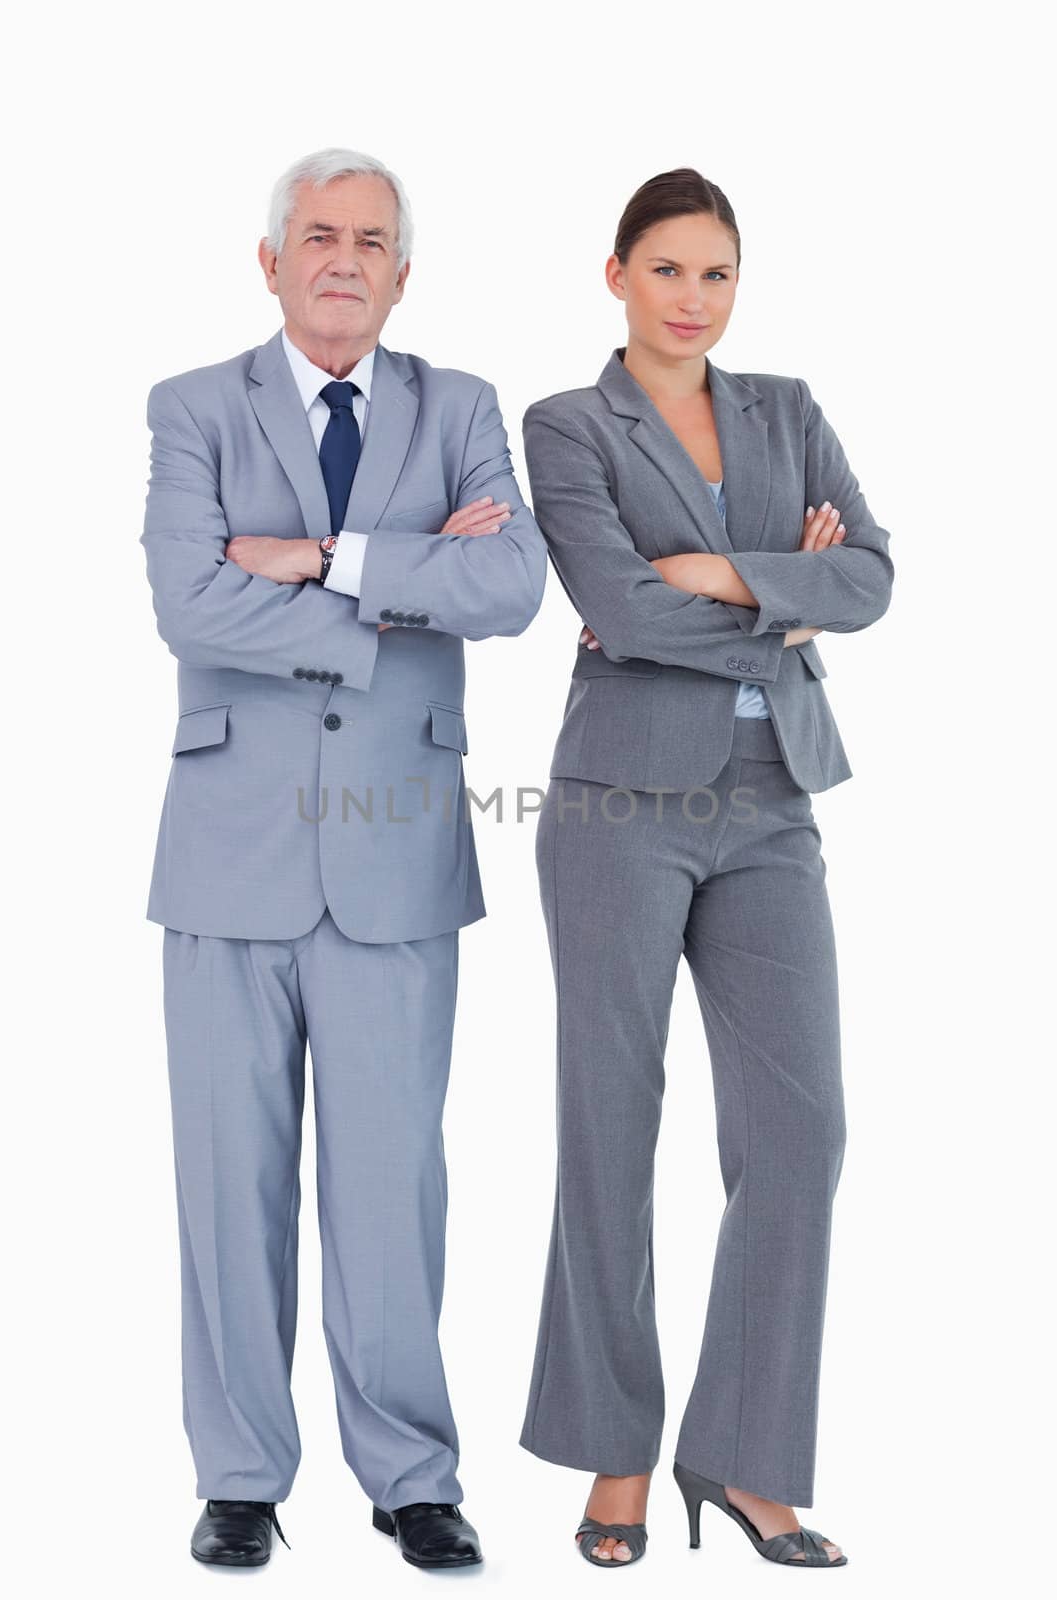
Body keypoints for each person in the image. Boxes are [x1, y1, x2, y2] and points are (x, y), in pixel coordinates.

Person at [140, 145, 546, 1569]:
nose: (343, 261)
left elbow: (507, 586)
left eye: (372, 242)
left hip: (395, 859)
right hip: (229, 852)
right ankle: (241, 1476)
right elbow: (189, 604)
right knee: (227, 1181)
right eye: (319, 235)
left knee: (391, 1186)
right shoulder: (192, 408)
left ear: (402, 274)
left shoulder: (465, 407)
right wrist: (402, 577)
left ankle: (412, 1475)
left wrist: (319, 560)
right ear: (271, 260)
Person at [519, 167, 893, 1570]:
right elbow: (614, 602)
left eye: (717, 275)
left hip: (774, 799)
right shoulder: (569, 426)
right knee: (610, 1130)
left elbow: (873, 578)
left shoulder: (788, 412)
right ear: (616, 274)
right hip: (622, 799)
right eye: (669, 269)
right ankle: (617, 1455)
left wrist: (718, 575)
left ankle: (743, 1460)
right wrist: (783, 590)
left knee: (804, 1132)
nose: (694, 298)